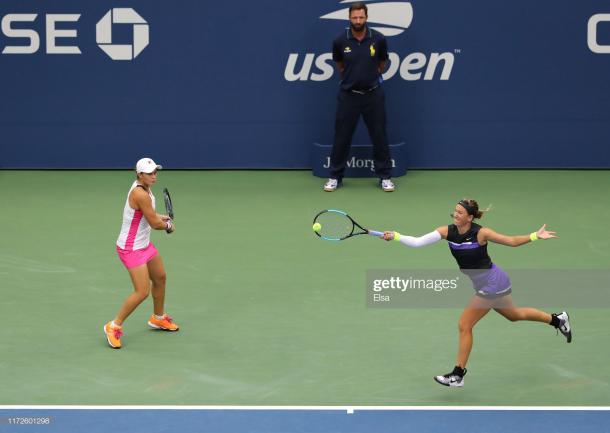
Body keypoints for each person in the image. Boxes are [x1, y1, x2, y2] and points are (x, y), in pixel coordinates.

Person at [380, 199, 572, 387]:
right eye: (455, 211)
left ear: (470, 217)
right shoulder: (446, 231)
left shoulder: (481, 233)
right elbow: (417, 242)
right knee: (515, 315)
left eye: (460, 213)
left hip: (492, 283)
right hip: (488, 281)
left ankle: (458, 374)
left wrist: (535, 236)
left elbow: (511, 241)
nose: (456, 214)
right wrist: (396, 236)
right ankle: (558, 320)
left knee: (465, 325)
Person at [103, 158, 179, 349]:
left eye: (155, 172)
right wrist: (167, 225)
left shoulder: (145, 188)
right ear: (139, 174)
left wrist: (161, 217)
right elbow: (154, 223)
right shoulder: (140, 193)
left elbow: (149, 216)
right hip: (131, 248)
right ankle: (113, 326)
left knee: (160, 277)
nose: (154, 176)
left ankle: (158, 318)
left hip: (144, 245)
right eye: (150, 173)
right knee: (142, 291)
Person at [324, 1, 395, 192]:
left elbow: (382, 64)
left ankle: (385, 177)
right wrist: (353, 79)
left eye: (361, 17)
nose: (358, 20)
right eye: (354, 17)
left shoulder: (378, 39)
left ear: (366, 17)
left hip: (373, 95)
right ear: (349, 18)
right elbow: (340, 66)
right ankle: (334, 177)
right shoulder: (340, 41)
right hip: (349, 96)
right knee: (342, 137)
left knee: (379, 136)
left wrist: (368, 78)